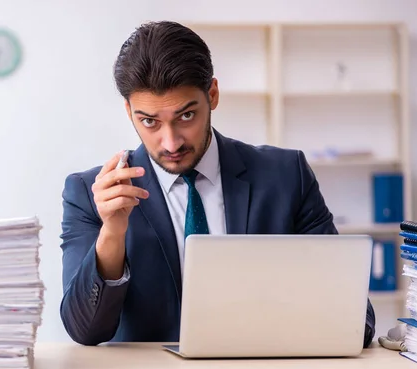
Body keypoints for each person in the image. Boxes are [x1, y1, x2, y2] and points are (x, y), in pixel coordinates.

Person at [59, 20, 375, 347]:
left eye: (185, 116)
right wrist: (112, 232)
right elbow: (85, 331)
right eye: (149, 121)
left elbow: (356, 320)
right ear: (129, 111)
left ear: (212, 94)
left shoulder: (286, 176)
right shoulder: (89, 194)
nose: (170, 143)